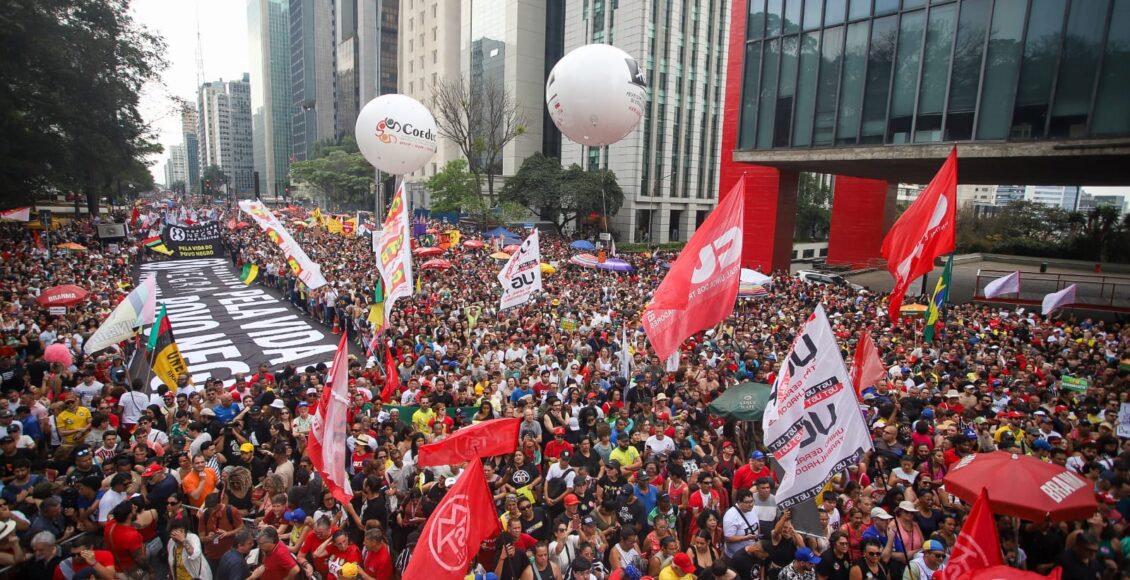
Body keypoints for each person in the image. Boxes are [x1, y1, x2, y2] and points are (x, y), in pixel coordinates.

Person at [103, 501, 146, 577]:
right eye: (134, 509)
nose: (136, 509)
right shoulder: (132, 535)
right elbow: (140, 559)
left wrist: (123, 505)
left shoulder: (109, 525)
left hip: (114, 569)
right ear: (129, 515)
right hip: (129, 571)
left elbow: (109, 514)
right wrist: (150, 571)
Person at [723, 488, 760, 558]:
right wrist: (745, 538)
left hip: (752, 552)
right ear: (739, 502)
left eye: (752, 501)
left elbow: (757, 525)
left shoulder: (753, 509)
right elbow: (728, 538)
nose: (751, 504)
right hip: (736, 556)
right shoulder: (731, 516)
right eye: (747, 502)